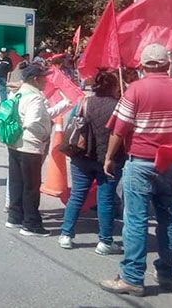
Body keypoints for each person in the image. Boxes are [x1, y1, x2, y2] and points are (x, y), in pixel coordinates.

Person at [100, 44, 172, 296]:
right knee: (168, 220)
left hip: (140, 162)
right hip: (170, 165)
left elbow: (119, 129)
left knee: (136, 221)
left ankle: (132, 277)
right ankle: (166, 272)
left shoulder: (136, 89)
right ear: (167, 64)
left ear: (142, 65)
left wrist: (109, 157)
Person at [58, 71, 125, 254]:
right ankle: (105, 241)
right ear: (113, 86)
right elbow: (122, 133)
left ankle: (66, 234)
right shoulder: (118, 107)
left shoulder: (84, 102)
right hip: (108, 159)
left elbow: (72, 123)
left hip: (82, 156)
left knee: (77, 196)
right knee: (106, 200)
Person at [5, 63, 52, 237]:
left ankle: (15, 216)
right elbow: (32, 122)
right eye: (43, 77)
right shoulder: (35, 97)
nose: (46, 81)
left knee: (17, 182)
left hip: (14, 142)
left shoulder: (17, 93)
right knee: (31, 186)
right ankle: (31, 223)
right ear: (35, 79)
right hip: (30, 145)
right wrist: (44, 133)